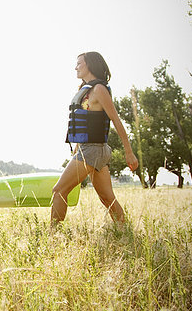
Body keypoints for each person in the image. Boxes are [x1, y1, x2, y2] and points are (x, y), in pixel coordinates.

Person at [51, 52, 138, 225]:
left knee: (59, 190)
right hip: (91, 149)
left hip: (93, 150)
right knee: (106, 197)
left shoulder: (99, 89)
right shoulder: (86, 90)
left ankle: (53, 236)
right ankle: (124, 229)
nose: (76, 67)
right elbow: (87, 124)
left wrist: (129, 152)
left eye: (79, 63)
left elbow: (116, 120)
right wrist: (77, 150)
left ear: (90, 64)